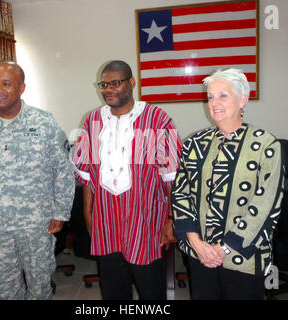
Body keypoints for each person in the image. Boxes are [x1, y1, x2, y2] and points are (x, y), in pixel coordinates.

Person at [0, 61, 75, 300]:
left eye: (6, 84)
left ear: (21, 89)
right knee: (6, 286)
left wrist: (61, 212)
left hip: (37, 224)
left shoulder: (44, 123)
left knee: (39, 284)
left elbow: (63, 171)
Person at [72, 60, 182, 300]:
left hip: (145, 225)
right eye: (104, 84)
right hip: (107, 225)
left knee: (151, 291)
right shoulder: (92, 121)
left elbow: (172, 178)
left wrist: (171, 219)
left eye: (115, 83)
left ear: (131, 83)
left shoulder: (157, 119)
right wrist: (89, 219)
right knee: (113, 291)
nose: (108, 89)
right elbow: (88, 177)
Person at [171, 68, 284, 300]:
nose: (214, 103)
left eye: (223, 95)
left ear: (242, 99)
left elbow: (267, 204)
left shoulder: (265, 144)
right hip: (199, 253)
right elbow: (180, 193)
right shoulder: (194, 143)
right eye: (211, 96)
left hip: (244, 257)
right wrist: (198, 244)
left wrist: (223, 249)